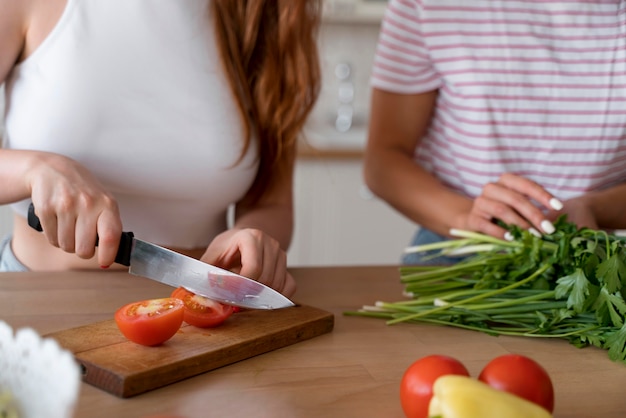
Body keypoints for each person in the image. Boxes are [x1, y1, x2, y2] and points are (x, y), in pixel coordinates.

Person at [0, 0, 321, 296]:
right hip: (35, 303)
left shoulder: (275, 12)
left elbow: (271, 203)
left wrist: (251, 238)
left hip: (195, 314)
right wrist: (35, 169)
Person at [363, 0, 626, 265]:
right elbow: (384, 159)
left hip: (597, 253)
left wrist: (594, 207)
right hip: (458, 247)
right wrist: (468, 218)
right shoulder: (431, 5)